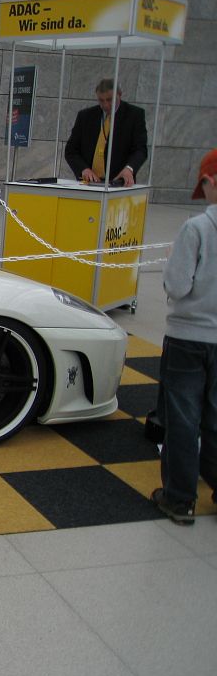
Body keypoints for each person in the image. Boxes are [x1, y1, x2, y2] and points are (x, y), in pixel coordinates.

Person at [151, 148, 217, 526]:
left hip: (188, 338)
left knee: (183, 418)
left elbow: (177, 286)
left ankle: (180, 499)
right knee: (215, 417)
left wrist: (171, 262)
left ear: (209, 182)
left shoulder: (197, 229)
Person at [64, 78, 148, 187]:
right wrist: (84, 169)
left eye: (109, 100)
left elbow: (140, 150)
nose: (105, 105)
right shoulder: (85, 116)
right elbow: (71, 150)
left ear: (119, 95)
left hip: (119, 183)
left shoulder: (134, 115)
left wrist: (129, 168)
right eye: (101, 100)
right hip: (89, 183)